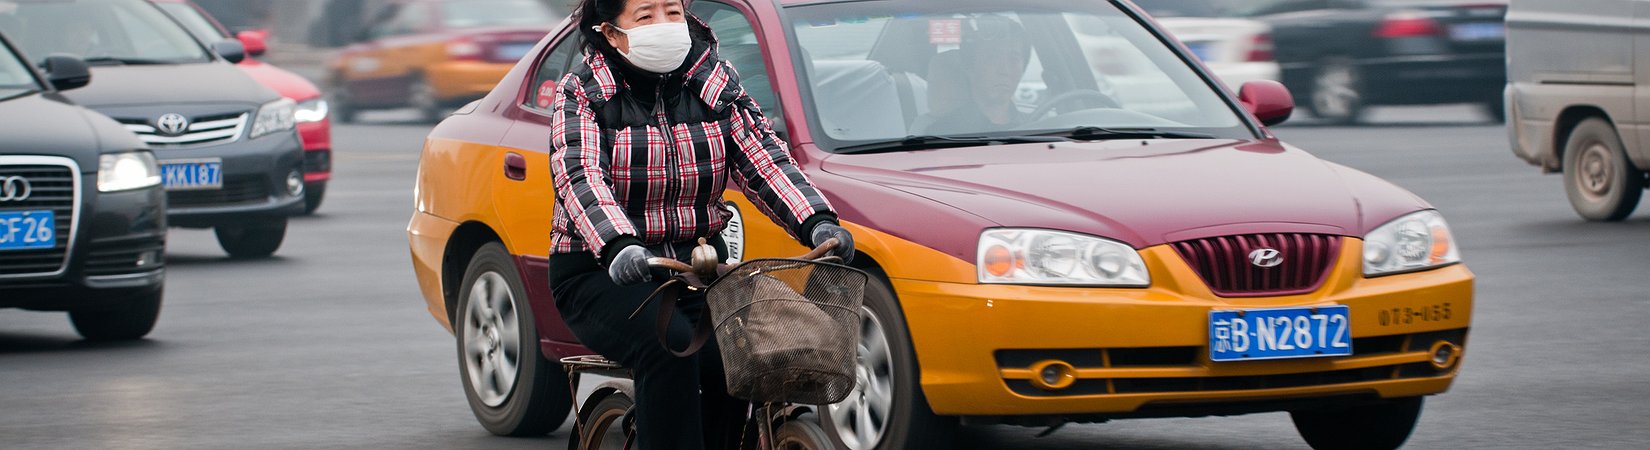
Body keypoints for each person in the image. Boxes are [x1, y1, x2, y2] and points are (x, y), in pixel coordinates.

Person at [546, 0, 854, 448]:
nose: (664, 24)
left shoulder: (714, 81)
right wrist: (618, 244)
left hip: (697, 269)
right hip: (603, 271)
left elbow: (764, 159)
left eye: (672, 11)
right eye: (645, 16)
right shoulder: (582, 92)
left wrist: (817, 222)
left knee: (741, 355)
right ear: (611, 33)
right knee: (669, 347)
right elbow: (580, 176)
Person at [921, 15, 1033, 135]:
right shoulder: (941, 134)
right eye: (992, 58)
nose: (1005, 70)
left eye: (1014, 59)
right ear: (969, 67)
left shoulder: (1035, 127)